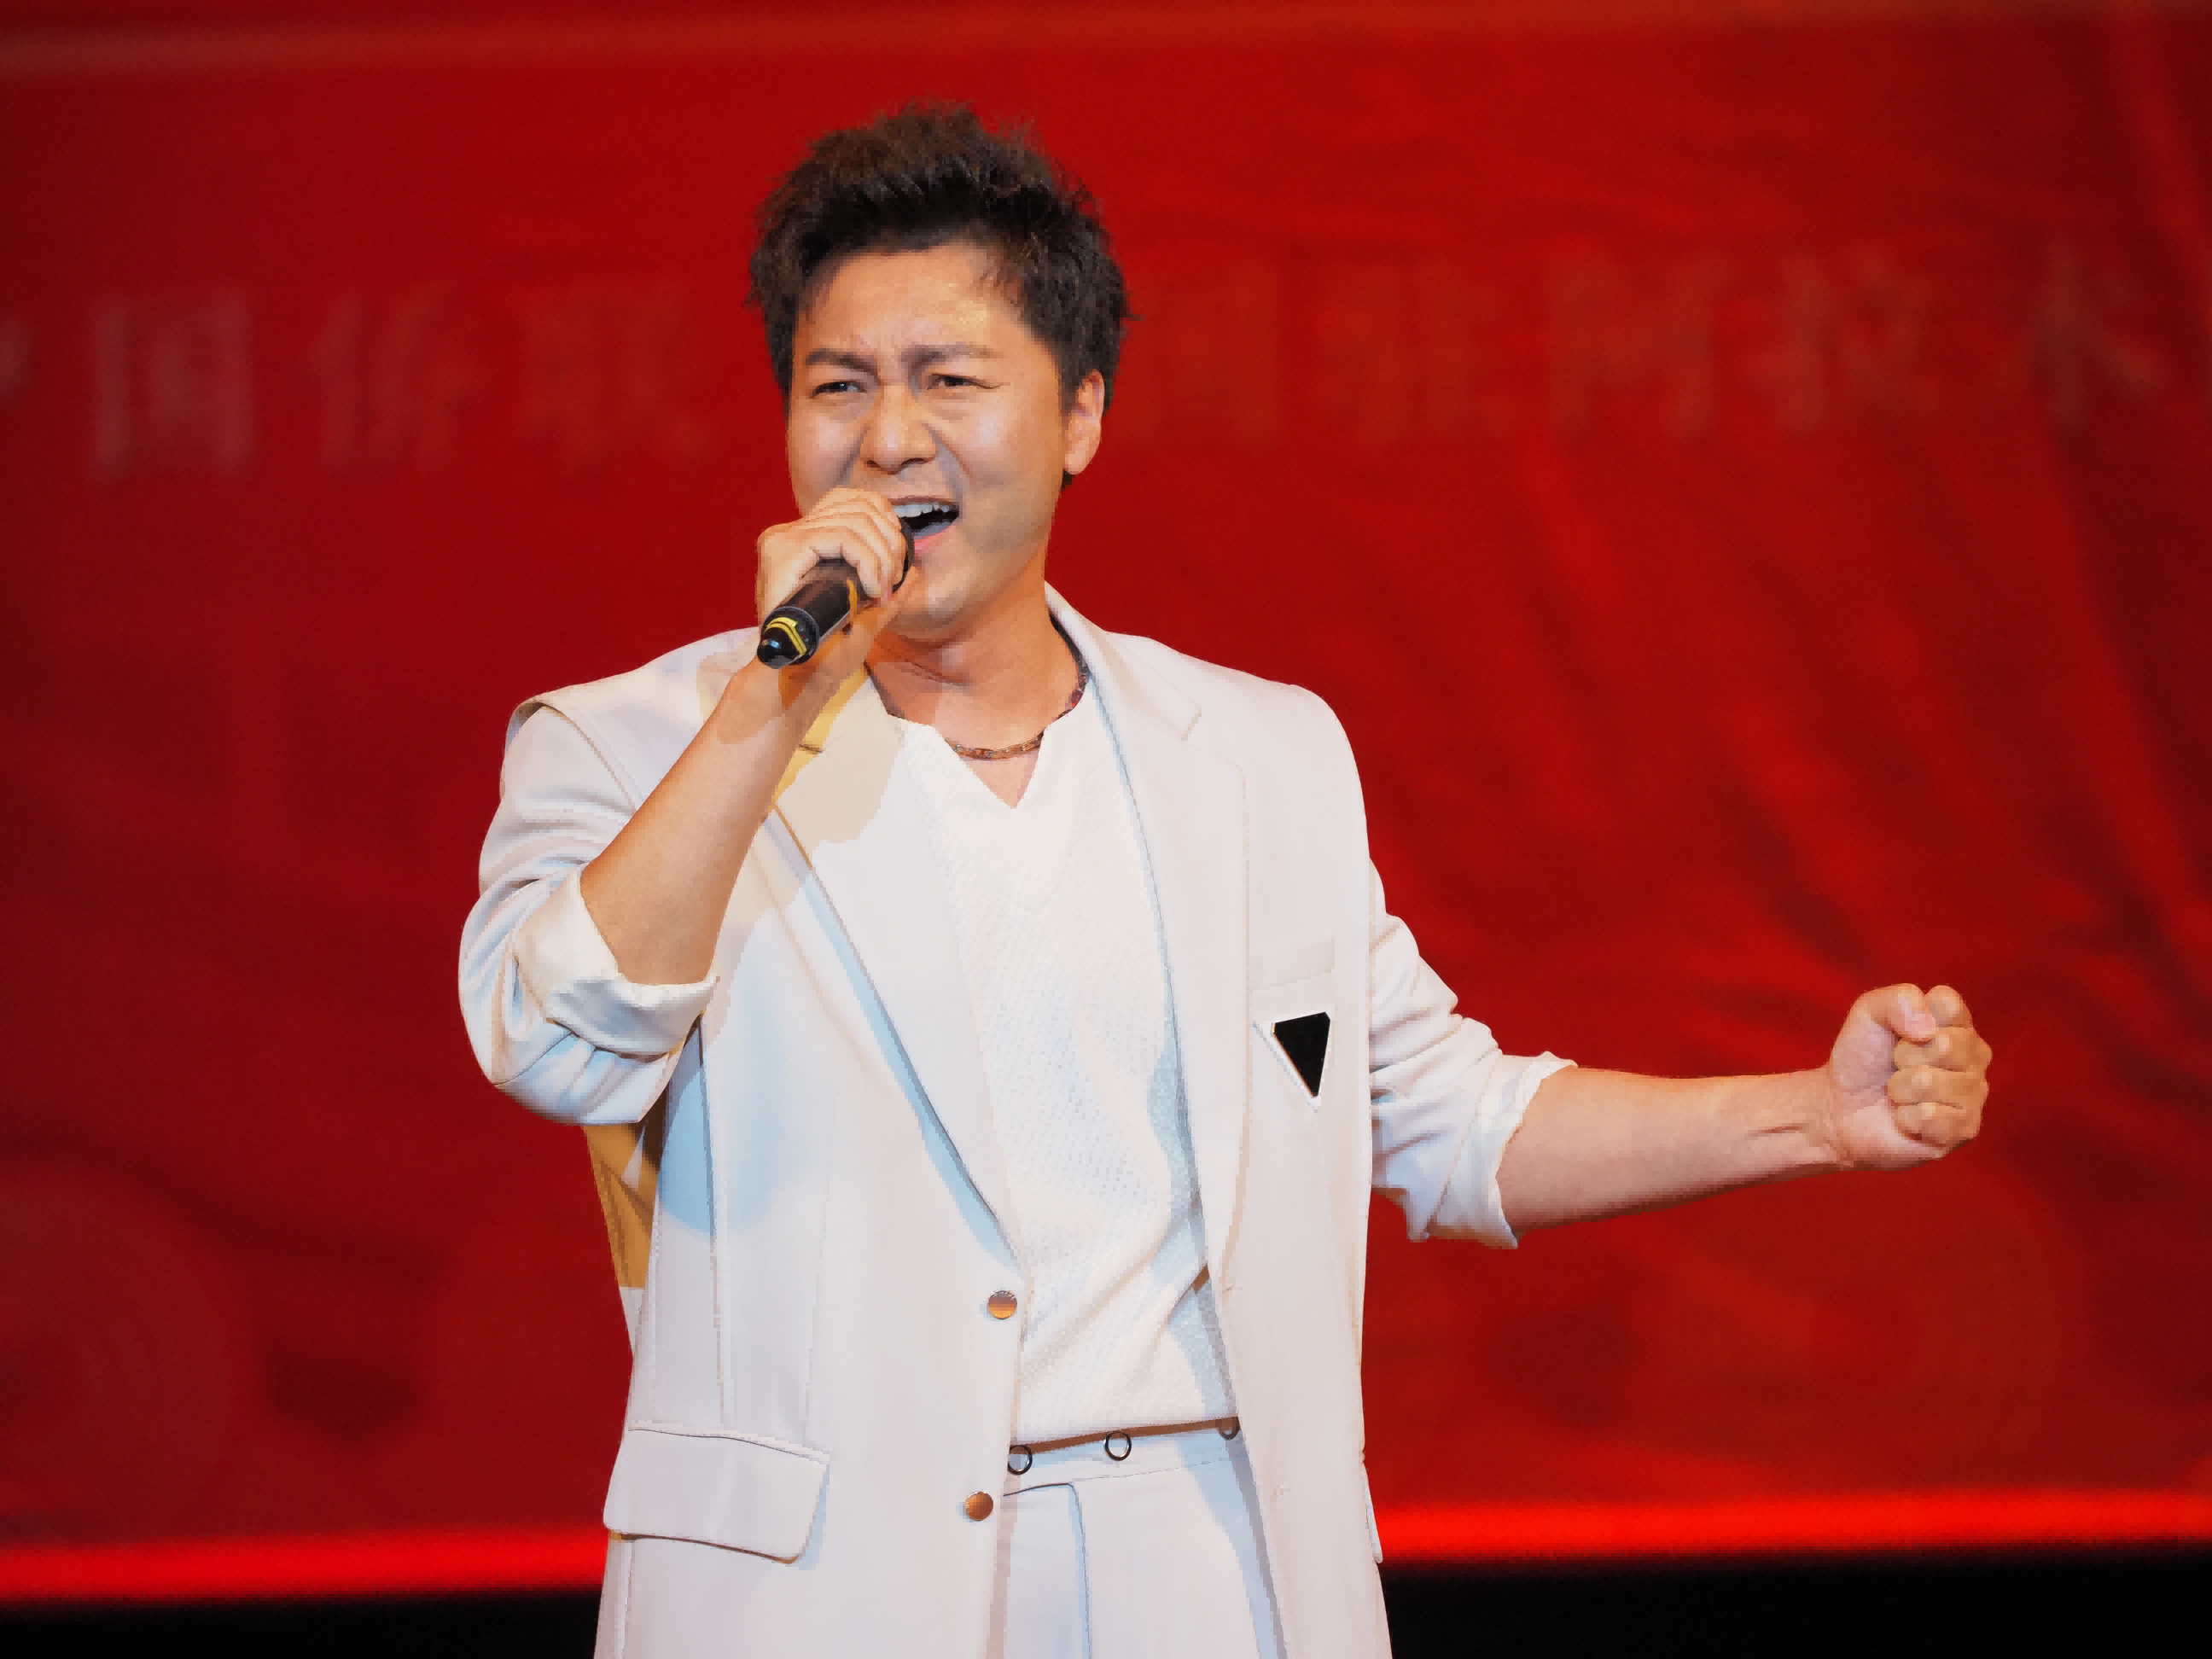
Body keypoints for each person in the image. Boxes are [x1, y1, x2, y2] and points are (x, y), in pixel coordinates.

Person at [458, 105, 1991, 1659]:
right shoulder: (634, 743)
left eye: (949, 380)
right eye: (837, 384)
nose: (889, 437)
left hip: (1211, 1565)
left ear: (1081, 415)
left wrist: (1816, 1116)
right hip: (825, 1596)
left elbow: (1449, 1119)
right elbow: (557, 1046)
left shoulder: (1259, 755)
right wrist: (771, 701)